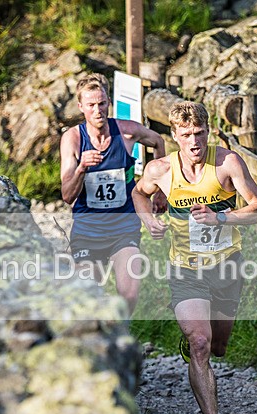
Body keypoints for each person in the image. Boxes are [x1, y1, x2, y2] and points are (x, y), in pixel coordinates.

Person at [131, 101, 257, 414]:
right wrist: (148, 220)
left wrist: (221, 219)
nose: (194, 141)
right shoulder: (160, 169)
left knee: (219, 347)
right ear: (174, 136)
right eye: (187, 135)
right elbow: (138, 193)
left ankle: (196, 346)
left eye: (200, 133)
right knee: (201, 343)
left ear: (208, 131)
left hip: (226, 267)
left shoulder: (227, 163)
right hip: (186, 270)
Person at [60, 73, 166, 315]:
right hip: (88, 231)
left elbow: (159, 142)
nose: (97, 111)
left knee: (129, 295)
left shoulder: (127, 132)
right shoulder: (73, 139)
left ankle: (121, 339)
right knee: (88, 294)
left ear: (109, 102)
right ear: (81, 107)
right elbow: (67, 195)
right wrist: (81, 168)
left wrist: (160, 190)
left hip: (123, 228)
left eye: (102, 103)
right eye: (91, 105)